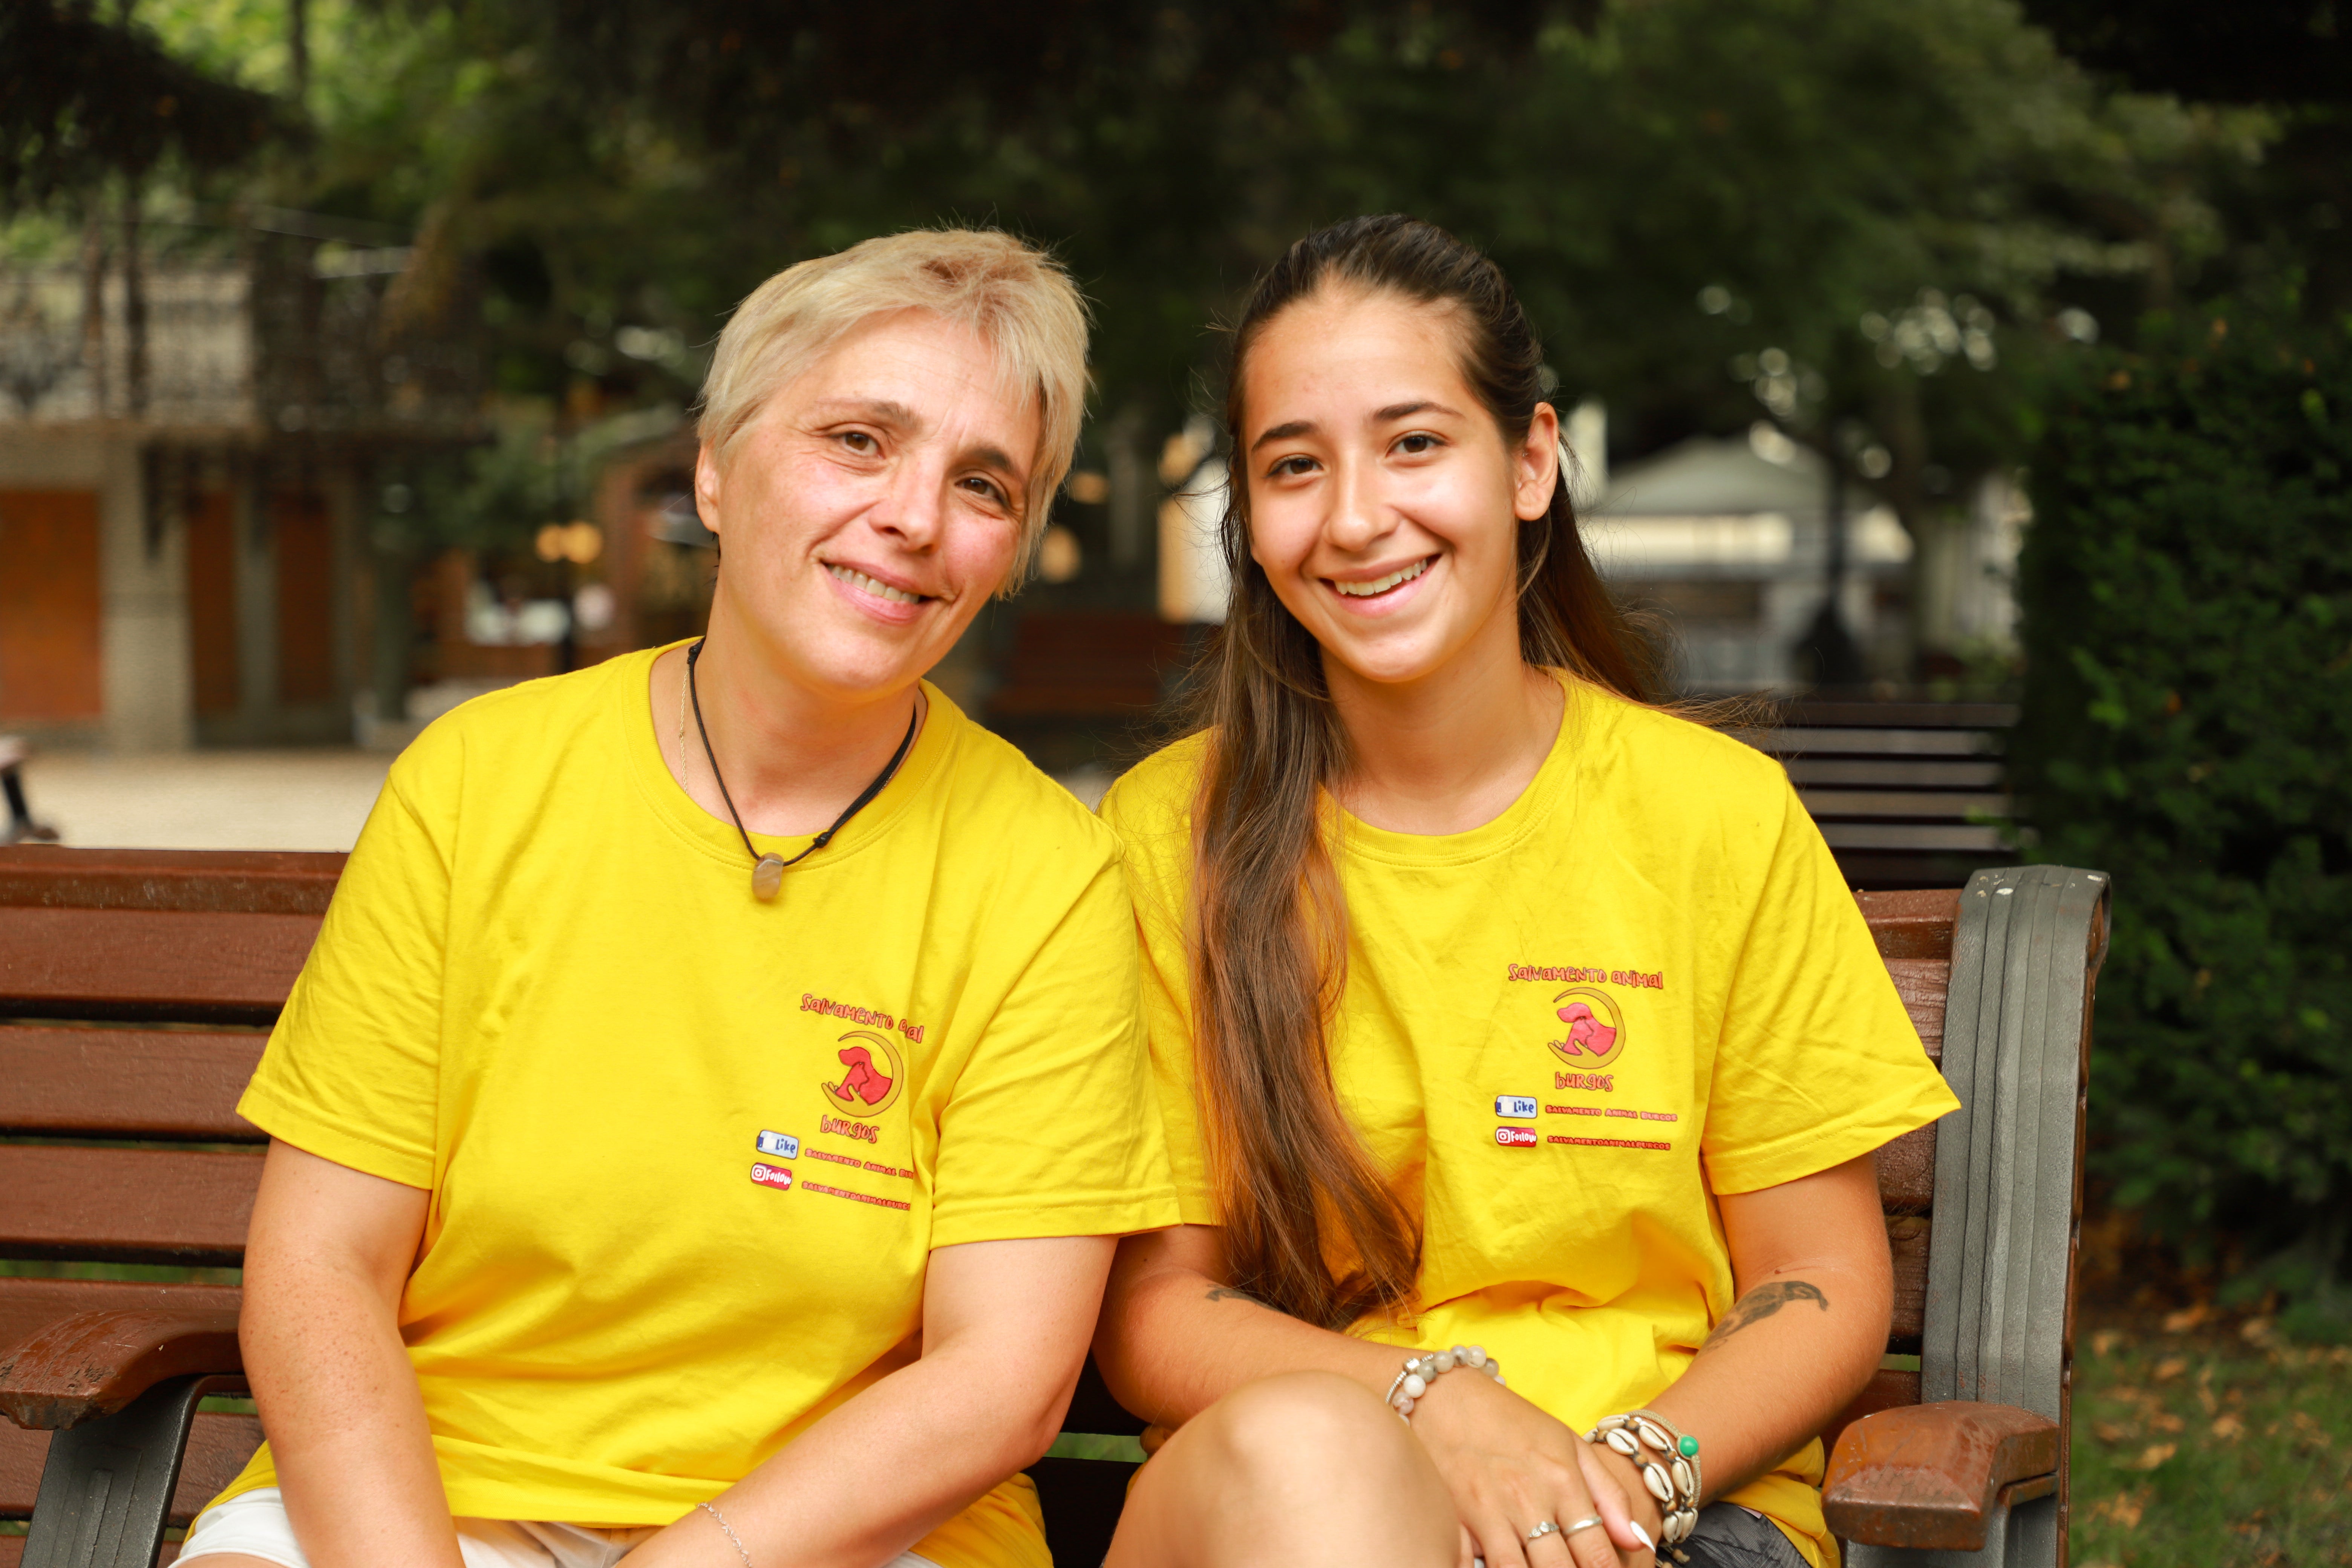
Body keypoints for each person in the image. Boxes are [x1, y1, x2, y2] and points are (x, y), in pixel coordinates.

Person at [180, 228, 1179, 1568]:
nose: (915, 516)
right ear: (714, 470)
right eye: (860, 441)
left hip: (844, 1540)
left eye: (984, 483)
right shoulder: (482, 782)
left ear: (1006, 552)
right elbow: (321, 1271)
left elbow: (1001, 1377)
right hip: (426, 1506)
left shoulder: (1046, 874)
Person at [1093, 215, 1960, 1568]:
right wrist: (1433, 1408)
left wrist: (1623, 1475)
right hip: (1289, 1503)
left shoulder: (1710, 816)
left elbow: (1829, 1280)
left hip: (1667, 1509)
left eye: (1416, 443)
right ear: (1251, 522)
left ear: (1532, 462)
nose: (1359, 515)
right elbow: (1155, 1312)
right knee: (1316, 1465)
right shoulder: (1170, 840)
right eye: (1295, 467)